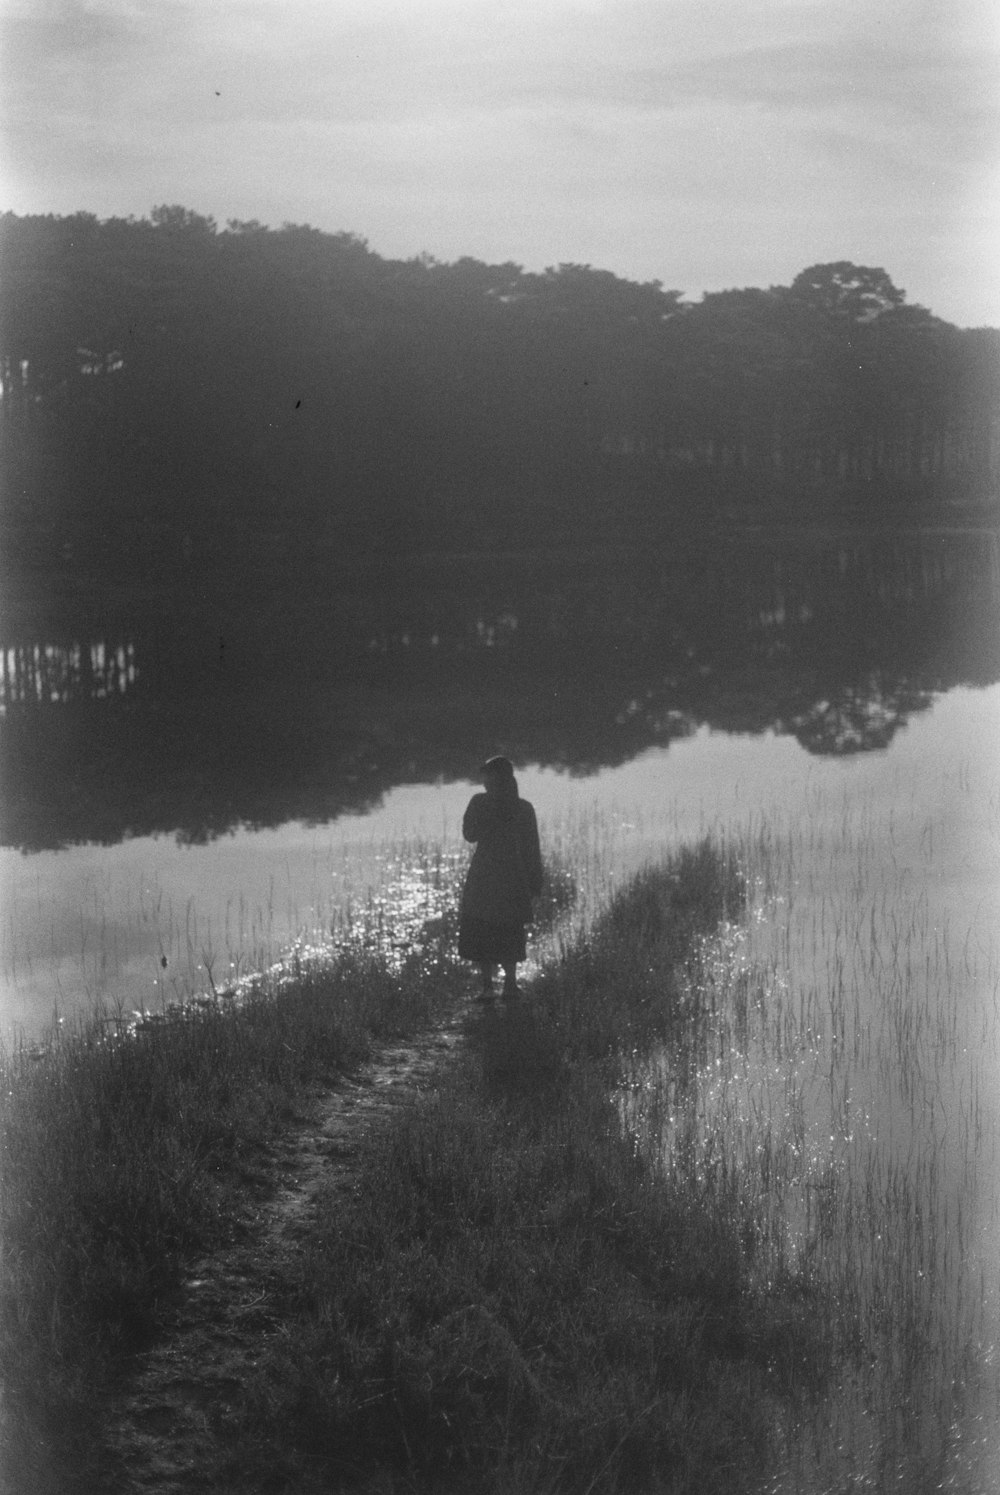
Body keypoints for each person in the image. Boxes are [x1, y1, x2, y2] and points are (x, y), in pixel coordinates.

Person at [458, 755, 543, 999]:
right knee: (489, 926)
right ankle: (493, 985)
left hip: (504, 876)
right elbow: (469, 834)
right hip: (493, 875)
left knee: (505, 927)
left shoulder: (521, 808)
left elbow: (531, 847)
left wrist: (535, 881)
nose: (485, 783)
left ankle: (504, 984)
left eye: (489, 778)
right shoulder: (482, 803)